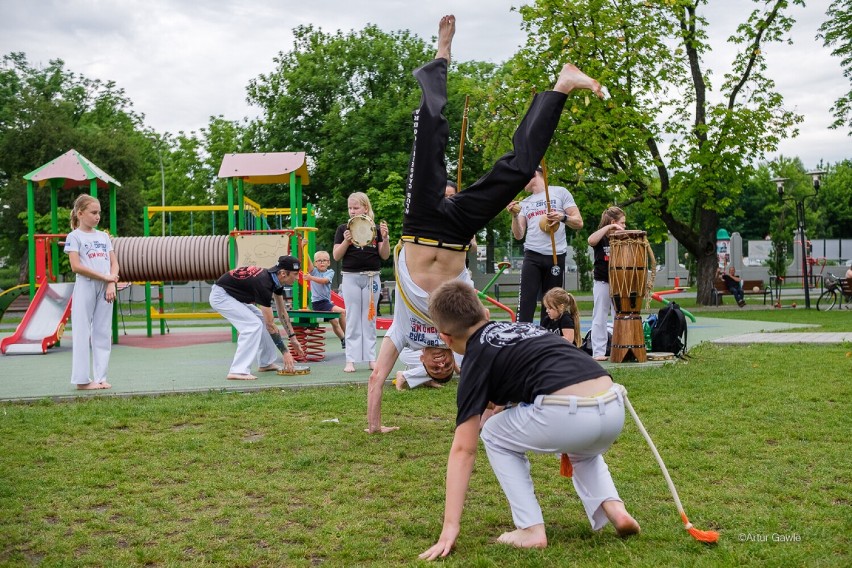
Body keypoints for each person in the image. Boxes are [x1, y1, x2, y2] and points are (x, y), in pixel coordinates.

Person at [366, 14, 604, 433]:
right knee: (519, 169)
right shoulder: (463, 335)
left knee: (430, 132)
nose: (440, 362)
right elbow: (496, 365)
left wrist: (374, 425)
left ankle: (442, 54)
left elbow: (376, 379)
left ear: (421, 363)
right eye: (445, 369)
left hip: (418, 221)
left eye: (434, 367)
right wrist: (497, 407)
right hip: (458, 231)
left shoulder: (403, 332)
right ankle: (561, 85)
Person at [419, 281, 639, 560]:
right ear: (486, 314)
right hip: (613, 407)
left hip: (569, 415)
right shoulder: (522, 328)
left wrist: (449, 528)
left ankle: (530, 528)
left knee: (494, 433)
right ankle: (614, 509)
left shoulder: (476, 359)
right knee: (582, 449)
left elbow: (464, 449)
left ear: (446, 338)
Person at [507, 167, 583, 323]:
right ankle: (522, 336)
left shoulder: (559, 192)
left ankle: (548, 337)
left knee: (552, 303)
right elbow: (519, 235)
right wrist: (515, 216)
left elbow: (579, 222)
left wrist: (563, 218)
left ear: (534, 173)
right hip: (532, 255)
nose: (521, 184)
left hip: (555, 255)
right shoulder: (525, 202)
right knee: (526, 299)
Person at [209, 255, 304, 380]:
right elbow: (270, 325)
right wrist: (285, 353)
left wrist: (293, 338)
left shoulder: (276, 280)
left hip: (233, 296)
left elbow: (282, 312)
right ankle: (238, 371)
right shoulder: (264, 284)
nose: (298, 278)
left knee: (261, 320)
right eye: (295, 274)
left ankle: (266, 363)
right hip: (221, 296)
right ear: (283, 273)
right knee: (253, 325)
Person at [64, 194, 120, 390]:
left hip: (106, 288)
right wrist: (105, 278)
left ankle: (101, 378)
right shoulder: (74, 237)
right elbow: (76, 266)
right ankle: (81, 381)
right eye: (93, 212)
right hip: (86, 285)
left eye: (99, 213)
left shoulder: (103, 236)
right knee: (81, 331)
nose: (97, 216)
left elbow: (114, 264)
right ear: (80, 213)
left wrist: (111, 283)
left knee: (103, 332)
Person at [333, 192, 390, 372]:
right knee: (353, 318)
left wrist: (386, 238)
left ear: (365, 207)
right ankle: (351, 359)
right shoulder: (344, 229)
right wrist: (346, 242)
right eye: (350, 208)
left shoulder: (375, 229)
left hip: (372, 276)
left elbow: (385, 255)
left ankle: (371, 358)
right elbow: (336, 255)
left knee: (369, 318)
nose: (352, 211)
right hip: (351, 277)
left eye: (355, 207)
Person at [587, 207, 625, 361]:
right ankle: (598, 352)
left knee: (620, 316)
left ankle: (620, 348)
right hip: (602, 281)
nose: (624, 226)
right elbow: (591, 240)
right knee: (600, 316)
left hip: (619, 282)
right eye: (622, 223)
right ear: (613, 222)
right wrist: (608, 228)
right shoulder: (601, 238)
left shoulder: (623, 238)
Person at [304, 250, 347, 348]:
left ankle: (343, 339)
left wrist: (310, 278)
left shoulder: (330, 272)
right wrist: (303, 248)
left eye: (324, 260)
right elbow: (307, 260)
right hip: (319, 303)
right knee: (343, 312)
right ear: (315, 263)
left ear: (329, 262)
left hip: (326, 302)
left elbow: (324, 281)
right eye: (319, 260)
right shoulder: (313, 271)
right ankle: (349, 337)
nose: (322, 262)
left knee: (335, 323)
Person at [393, 346, 460, 391]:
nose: (442, 365)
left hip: (413, 351)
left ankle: (428, 381)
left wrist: (458, 372)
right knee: (432, 367)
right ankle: (403, 375)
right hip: (409, 352)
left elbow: (450, 357)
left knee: (436, 367)